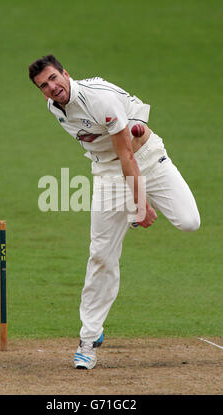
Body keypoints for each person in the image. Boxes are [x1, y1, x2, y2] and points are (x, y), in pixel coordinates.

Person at [28, 54, 200, 370]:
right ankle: (88, 339)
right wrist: (135, 203)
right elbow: (116, 156)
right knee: (101, 255)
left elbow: (128, 156)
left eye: (54, 78)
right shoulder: (55, 107)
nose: (52, 88)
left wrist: (140, 205)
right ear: (41, 92)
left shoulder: (99, 100)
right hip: (109, 174)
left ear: (66, 74)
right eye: (44, 86)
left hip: (147, 160)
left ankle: (133, 208)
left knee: (189, 222)